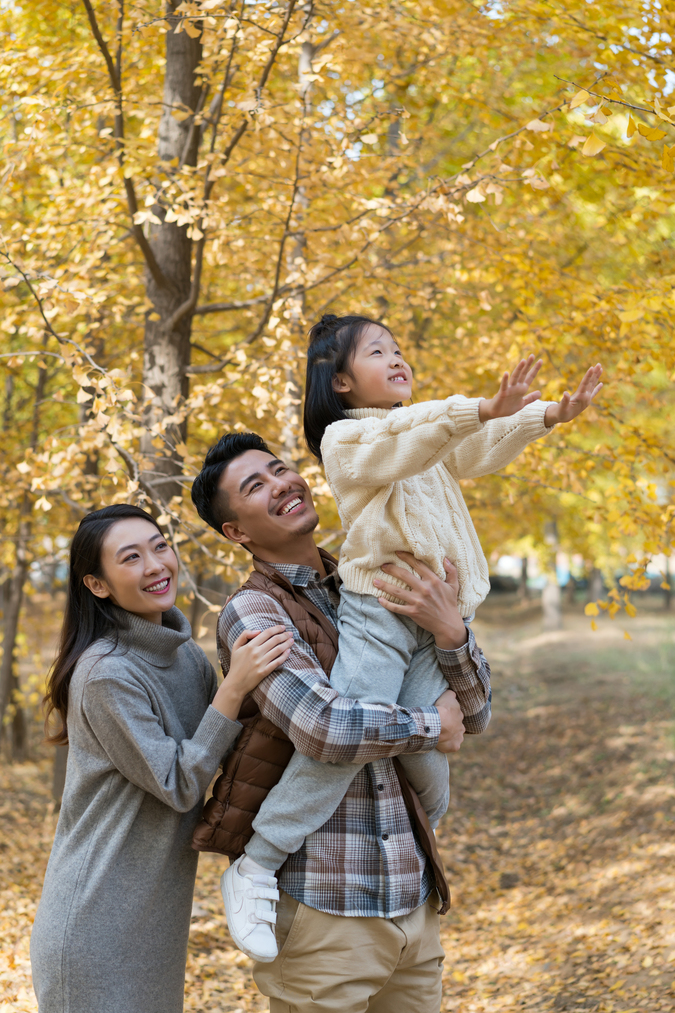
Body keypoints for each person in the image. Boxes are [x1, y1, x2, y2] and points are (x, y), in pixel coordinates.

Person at [217, 313, 604, 959]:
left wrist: (542, 418)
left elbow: (470, 449)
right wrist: (475, 407)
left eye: (398, 349)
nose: (396, 358)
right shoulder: (345, 441)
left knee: (433, 770)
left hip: (438, 613)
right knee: (339, 747)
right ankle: (258, 861)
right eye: (377, 352)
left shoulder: (424, 430)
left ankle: (408, 850)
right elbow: (408, 443)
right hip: (381, 608)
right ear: (340, 381)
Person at [191, 434, 489, 1011]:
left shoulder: (371, 579)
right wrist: (429, 725)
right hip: (323, 910)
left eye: (279, 469)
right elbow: (323, 729)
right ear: (237, 533)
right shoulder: (255, 612)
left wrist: (451, 632)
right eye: (256, 486)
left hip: (412, 896)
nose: (282, 483)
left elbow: (474, 714)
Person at [30, 504, 294, 1013]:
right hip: (94, 924)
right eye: (130, 557)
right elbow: (178, 783)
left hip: (155, 923)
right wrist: (234, 686)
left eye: (159, 546)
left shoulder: (186, 658)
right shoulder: (107, 673)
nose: (155, 565)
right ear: (98, 584)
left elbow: (223, 747)